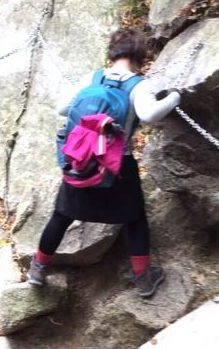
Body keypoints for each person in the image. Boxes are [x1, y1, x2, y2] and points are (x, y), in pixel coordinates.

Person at [27, 28, 182, 298]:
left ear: (113, 52)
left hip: (82, 161)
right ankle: (143, 280)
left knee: (61, 216)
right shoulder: (138, 85)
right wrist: (174, 98)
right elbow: (149, 114)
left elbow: (63, 108)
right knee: (135, 220)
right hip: (116, 168)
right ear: (139, 55)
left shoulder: (94, 77)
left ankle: (38, 269)